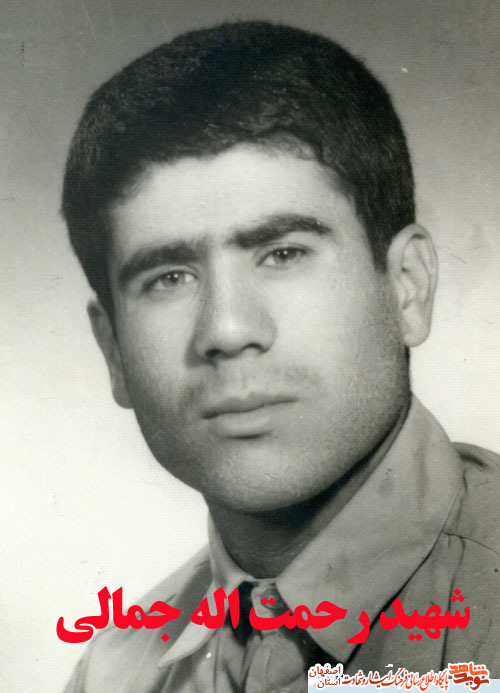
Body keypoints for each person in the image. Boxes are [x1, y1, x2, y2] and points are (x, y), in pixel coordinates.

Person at [62, 21, 500, 692]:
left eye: (283, 253)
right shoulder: (112, 674)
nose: (227, 328)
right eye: (168, 277)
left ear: (407, 287)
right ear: (113, 351)